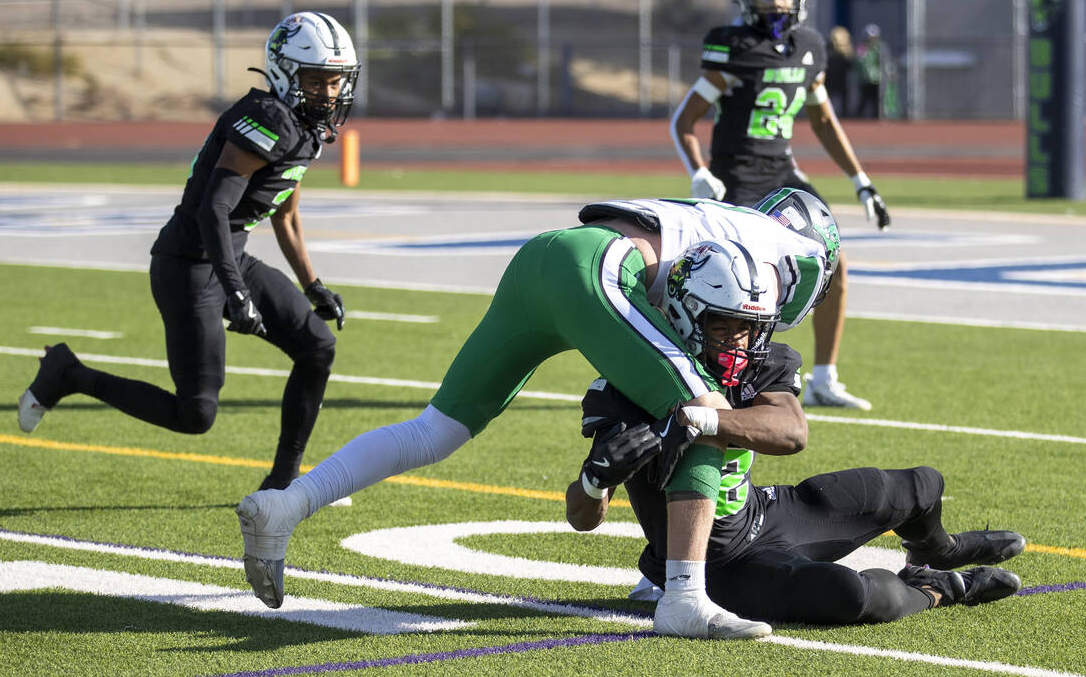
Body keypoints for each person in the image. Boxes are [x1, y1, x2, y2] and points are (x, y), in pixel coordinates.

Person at [235, 191, 838, 640]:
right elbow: (730, 340)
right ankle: (681, 594)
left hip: (547, 259)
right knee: (708, 410)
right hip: (599, 270)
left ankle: (286, 505)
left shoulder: (732, 221)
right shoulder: (798, 253)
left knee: (435, 430)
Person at [565, 227, 1026, 625]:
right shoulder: (625, 387)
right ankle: (941, 586)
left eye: (750, 328)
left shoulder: (759, 364)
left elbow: (790, 432)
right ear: (686, 315)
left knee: (923, 486)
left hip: (764, 512)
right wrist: (595, 480)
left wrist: (699, 419)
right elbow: (582, 518)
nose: (739, 343)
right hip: (720, 565)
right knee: (853, 595)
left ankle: (939, 550)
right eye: (725, 328)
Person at [17, 11, 360, 494]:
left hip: (228, 257)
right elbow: (212, 211)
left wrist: (313, 285)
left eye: (335, 81)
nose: (328, 92)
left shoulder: (301, 127)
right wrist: (236, 293)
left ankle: (284, 481)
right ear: (285, 72)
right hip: (188, 265)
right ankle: (67, 374)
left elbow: (284, 213)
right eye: (317, 80)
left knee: (317, 345)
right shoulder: (269, 120)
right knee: (195, 414)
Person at [669, 0, 890, 411]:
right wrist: (701, 173)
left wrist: (861, 181)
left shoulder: (809, 47)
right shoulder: (732, 47)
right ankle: (715, 376)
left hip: (784, 174)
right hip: (737, 177)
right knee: (741, 284)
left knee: (836, 265)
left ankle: (824, 378)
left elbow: (824, 121)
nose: (777, 5)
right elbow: (684, 121)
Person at [855, 24, 886, 119]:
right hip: (865, 79)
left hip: (877, 79)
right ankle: (858, 118)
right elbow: (860, 61)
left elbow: (884, 61)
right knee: (864, 99)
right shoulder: (862, 48)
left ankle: (877, 117)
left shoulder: (880, 48)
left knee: (877, 100)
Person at [825, 26, 854, 118]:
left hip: (841, 78)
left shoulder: (847, 51)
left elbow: (850, 65)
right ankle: (827, 114)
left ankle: (845, 115)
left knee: (844, 97)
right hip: (830, 78)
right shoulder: (828, 48)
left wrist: (846, 53)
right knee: (827, 98)